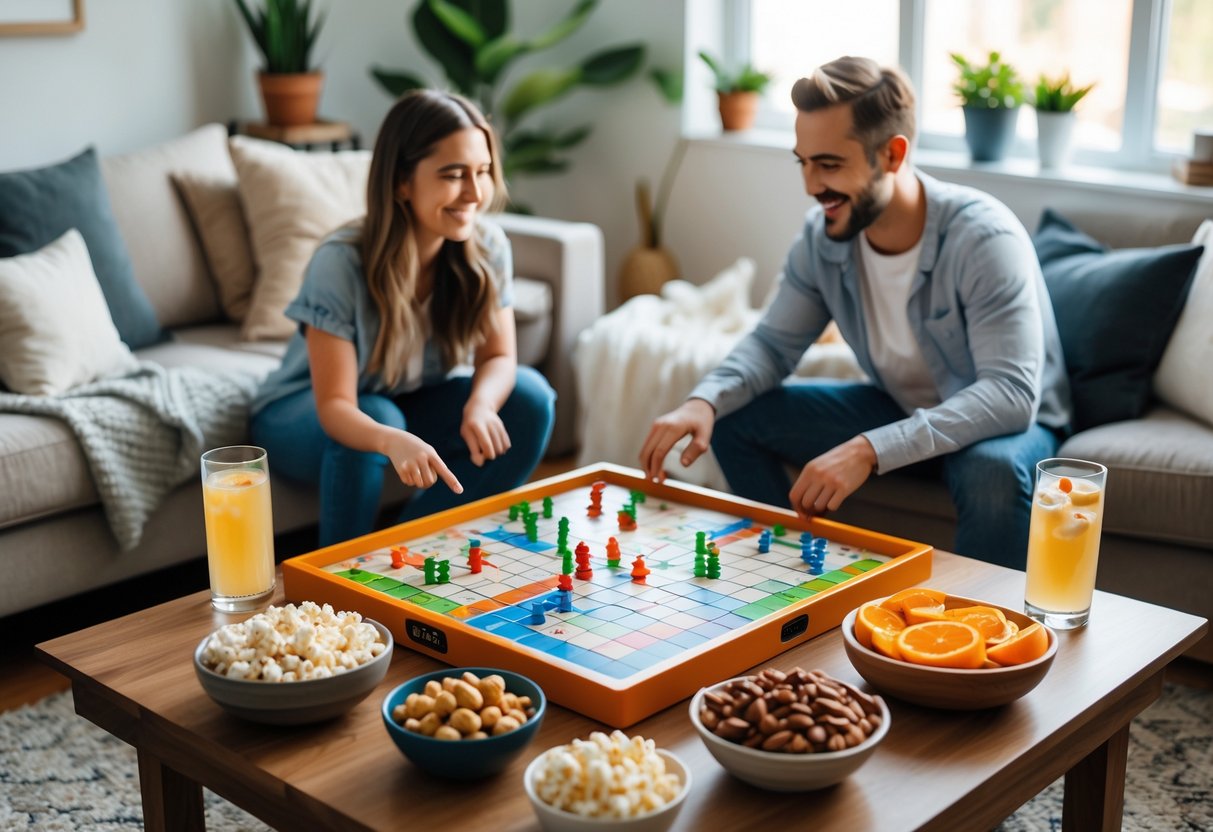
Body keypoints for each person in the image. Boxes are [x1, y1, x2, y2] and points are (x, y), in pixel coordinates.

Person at [639, 56, 1070, 569]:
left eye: (829, 164)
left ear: (891, 154)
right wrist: (704, 401)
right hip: (901, 405)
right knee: (734, 418)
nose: (810, 185)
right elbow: (773, 345)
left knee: (989, 473)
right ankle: (789, 577)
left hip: (1004, 427)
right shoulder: (823, 237)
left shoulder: (983, 238)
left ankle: (979, 632)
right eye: (803, 162)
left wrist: (870, 449)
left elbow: (1010, 394)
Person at [251, 90, 555, 546]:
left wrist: (481, 404)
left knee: (530, 399)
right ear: (401, 182)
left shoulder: (488, 248)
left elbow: (499, 356)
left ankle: (408, 547)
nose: (474, 193)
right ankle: (340, 582)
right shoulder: (340, 262)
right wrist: (391, 439)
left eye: (483, 172)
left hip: (405, 401)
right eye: (453, 175)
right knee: (377, 414)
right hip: (303, 414)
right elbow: (337, 406)